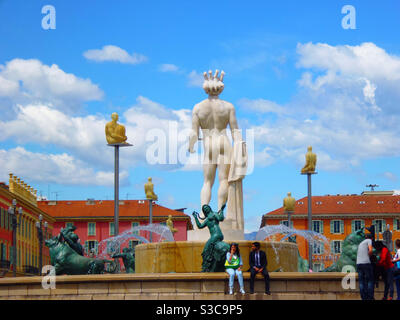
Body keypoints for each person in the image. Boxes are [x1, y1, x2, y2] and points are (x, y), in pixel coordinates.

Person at [356, 232, 374, 300]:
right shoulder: (369, 240)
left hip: (358, 263)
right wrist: (370, 256)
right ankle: (370, 297)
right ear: (371, 238)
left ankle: (363, 297)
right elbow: (370, 250)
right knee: (370, 280)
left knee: (361, 282)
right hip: (366, 263)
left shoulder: (361, 243)